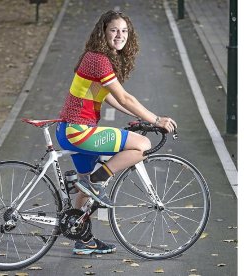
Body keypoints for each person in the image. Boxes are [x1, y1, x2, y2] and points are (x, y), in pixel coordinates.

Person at [55, 10, 177, 255]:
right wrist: (156, 119)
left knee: (83, 188)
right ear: (103, 32)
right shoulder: (98, 59)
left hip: (70, 129)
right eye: (114, 30)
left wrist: (138, 117)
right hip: (80, 131)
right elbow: (124, 97)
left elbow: (109, 97)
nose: (120, 35)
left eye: (124, 30)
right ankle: (99, 179)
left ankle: (83, 239)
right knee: (141, 144)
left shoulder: (97, 58)